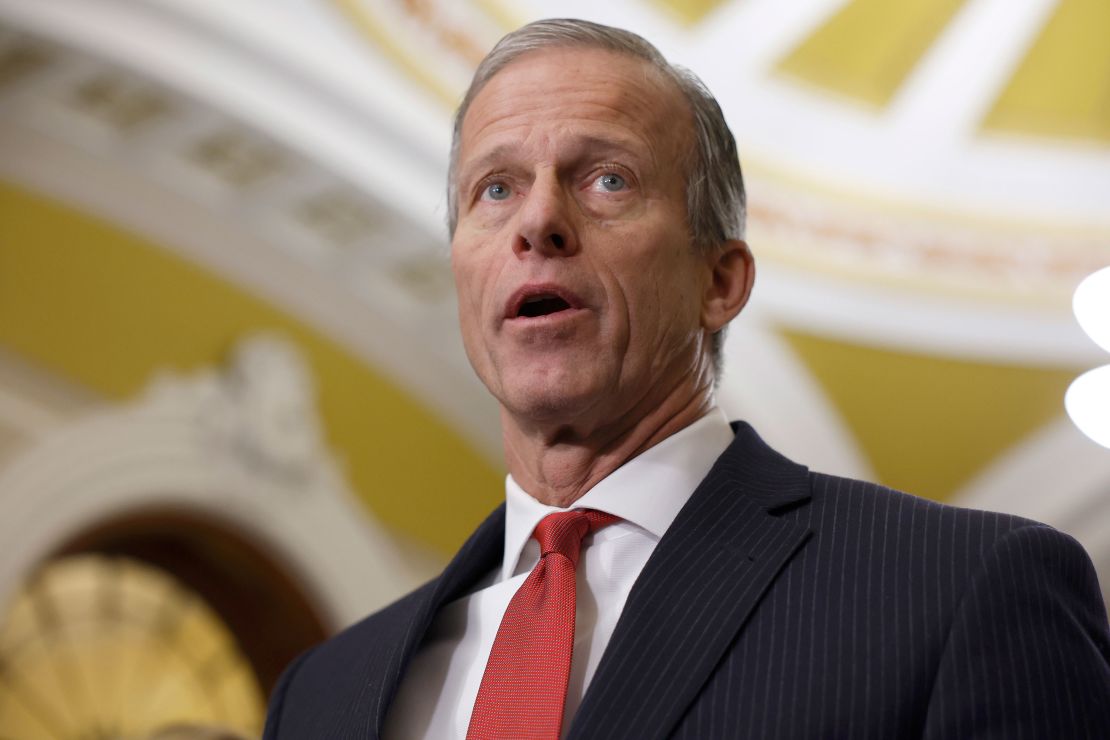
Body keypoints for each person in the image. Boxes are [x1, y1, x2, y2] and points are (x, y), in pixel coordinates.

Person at [263, 18, 1110, 739]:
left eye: (607, 179)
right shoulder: (324, 692)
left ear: (719, 281)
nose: (539, 222)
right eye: (495, 188)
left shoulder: (960, 592)